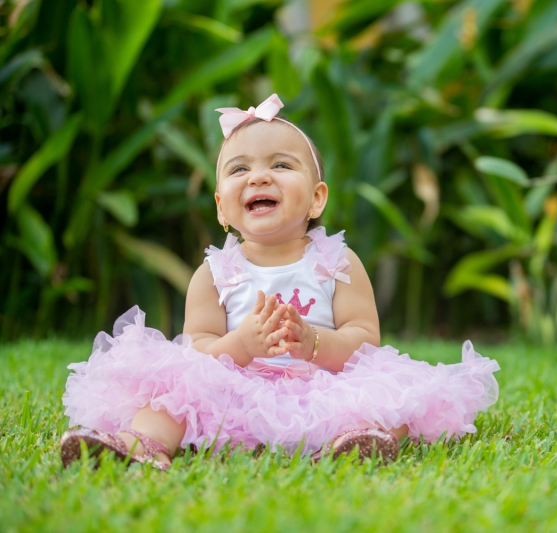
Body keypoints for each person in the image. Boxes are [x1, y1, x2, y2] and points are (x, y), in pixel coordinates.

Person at [60, 94, 500, 470]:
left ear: (316, 198)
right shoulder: (213, 274)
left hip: (323, 389)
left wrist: (312, 342)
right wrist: (242, 345)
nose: (258, 177)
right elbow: (197, 349)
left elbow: (366, 342)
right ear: (220, 208)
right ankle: (144, 445)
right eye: (238, 170)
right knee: (174, 392)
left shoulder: (338, 262)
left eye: (281, 165)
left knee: (387, 399)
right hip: (235, 394)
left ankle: (353, 440)